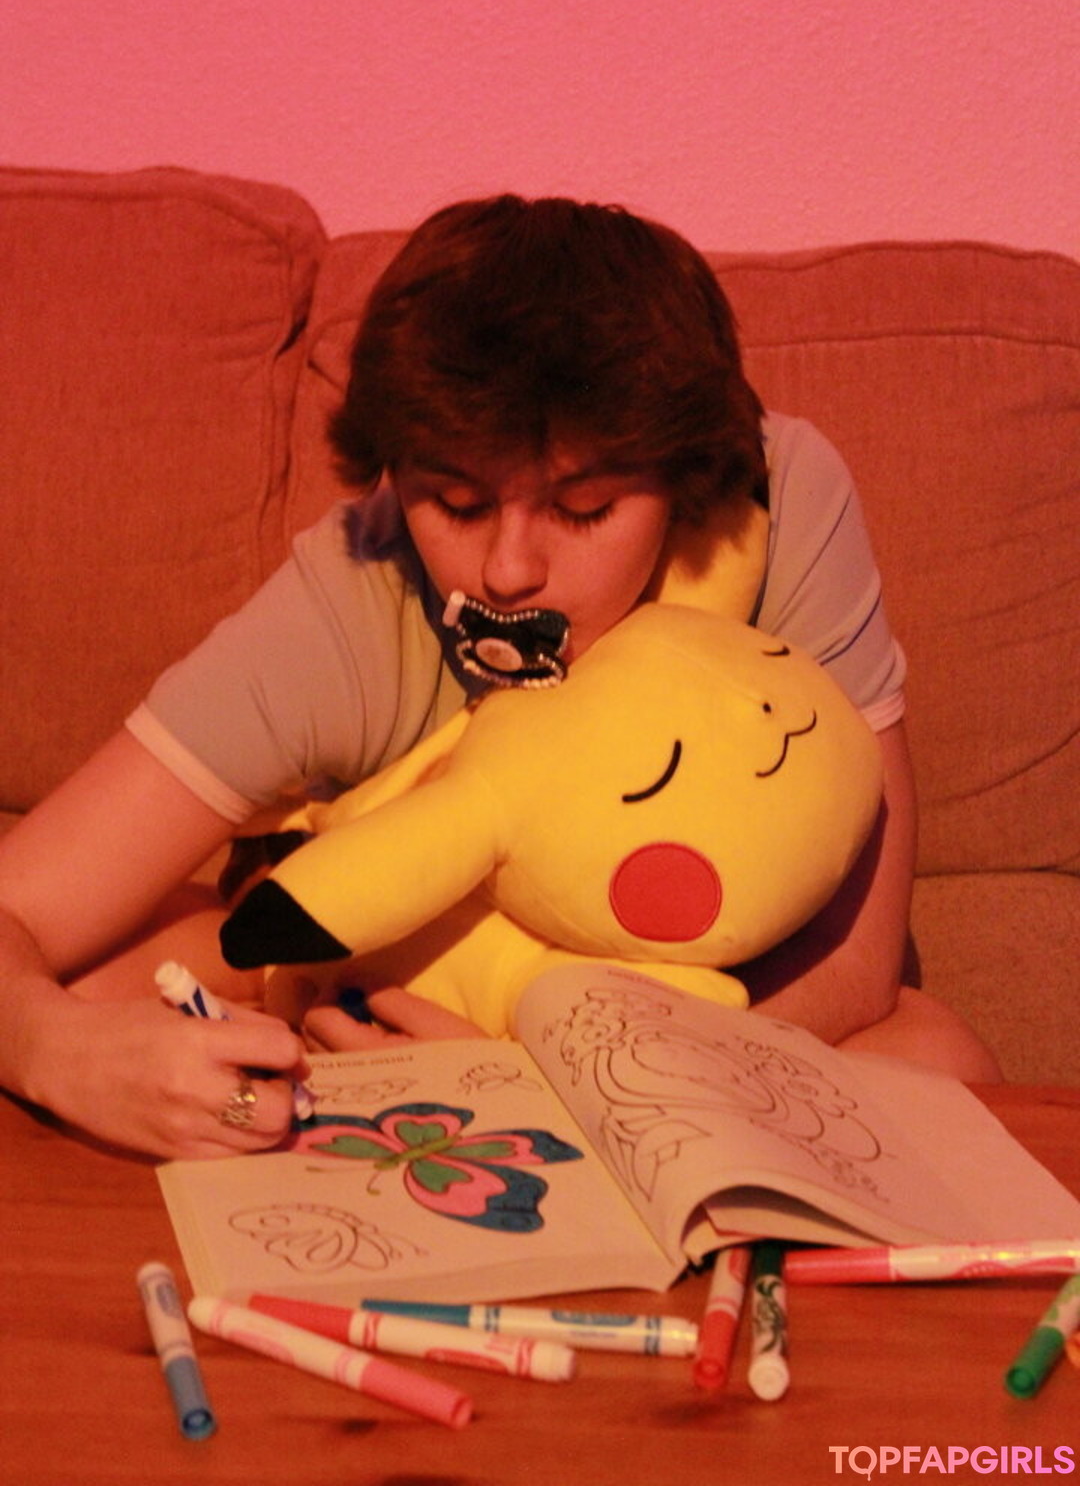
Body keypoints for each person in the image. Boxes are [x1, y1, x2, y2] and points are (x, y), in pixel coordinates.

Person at [0, 195, 1000, 1161]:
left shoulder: (773, 498)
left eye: (585, 509)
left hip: (695, 1027)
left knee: (938, 1062)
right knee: (93, 992)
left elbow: (859, 963)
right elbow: (22, 907)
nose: (508, 571)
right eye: (456, 502)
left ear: (685, 482)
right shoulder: (356, 588)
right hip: (383, 1004)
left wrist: (542, 1081)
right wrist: (59, 1053)